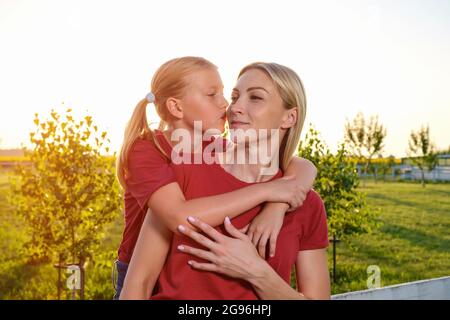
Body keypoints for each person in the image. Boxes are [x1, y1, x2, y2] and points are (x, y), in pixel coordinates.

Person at [120, 62, 330, 300]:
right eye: (235, 96)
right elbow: (140, 283)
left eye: (256, 98)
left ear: (289, 117)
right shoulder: (183, 173)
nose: (234, 107)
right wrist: (270, 192)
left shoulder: (305, 203)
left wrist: (257, 273)